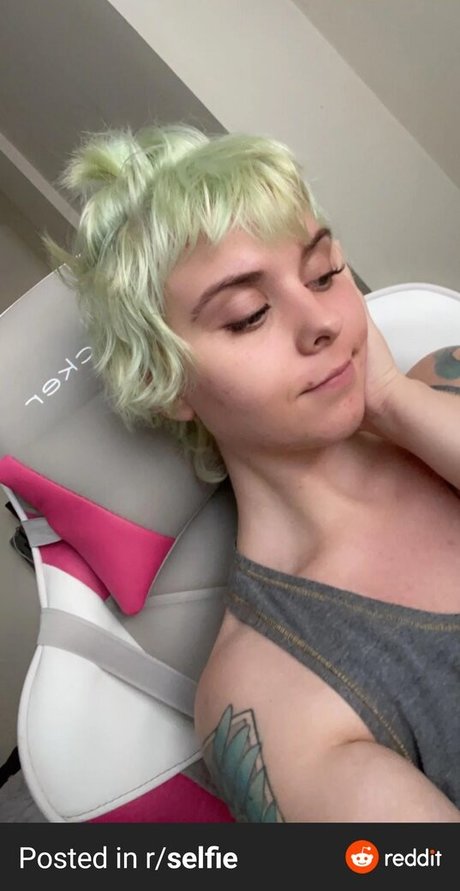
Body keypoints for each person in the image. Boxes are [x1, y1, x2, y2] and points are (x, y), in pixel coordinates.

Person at [49, 122, 460, 823]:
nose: (321, 321)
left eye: (324, 273)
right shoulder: (270, 696)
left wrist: (394, 399)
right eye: (248, 315)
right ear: (162, 380)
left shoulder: (442, 385)